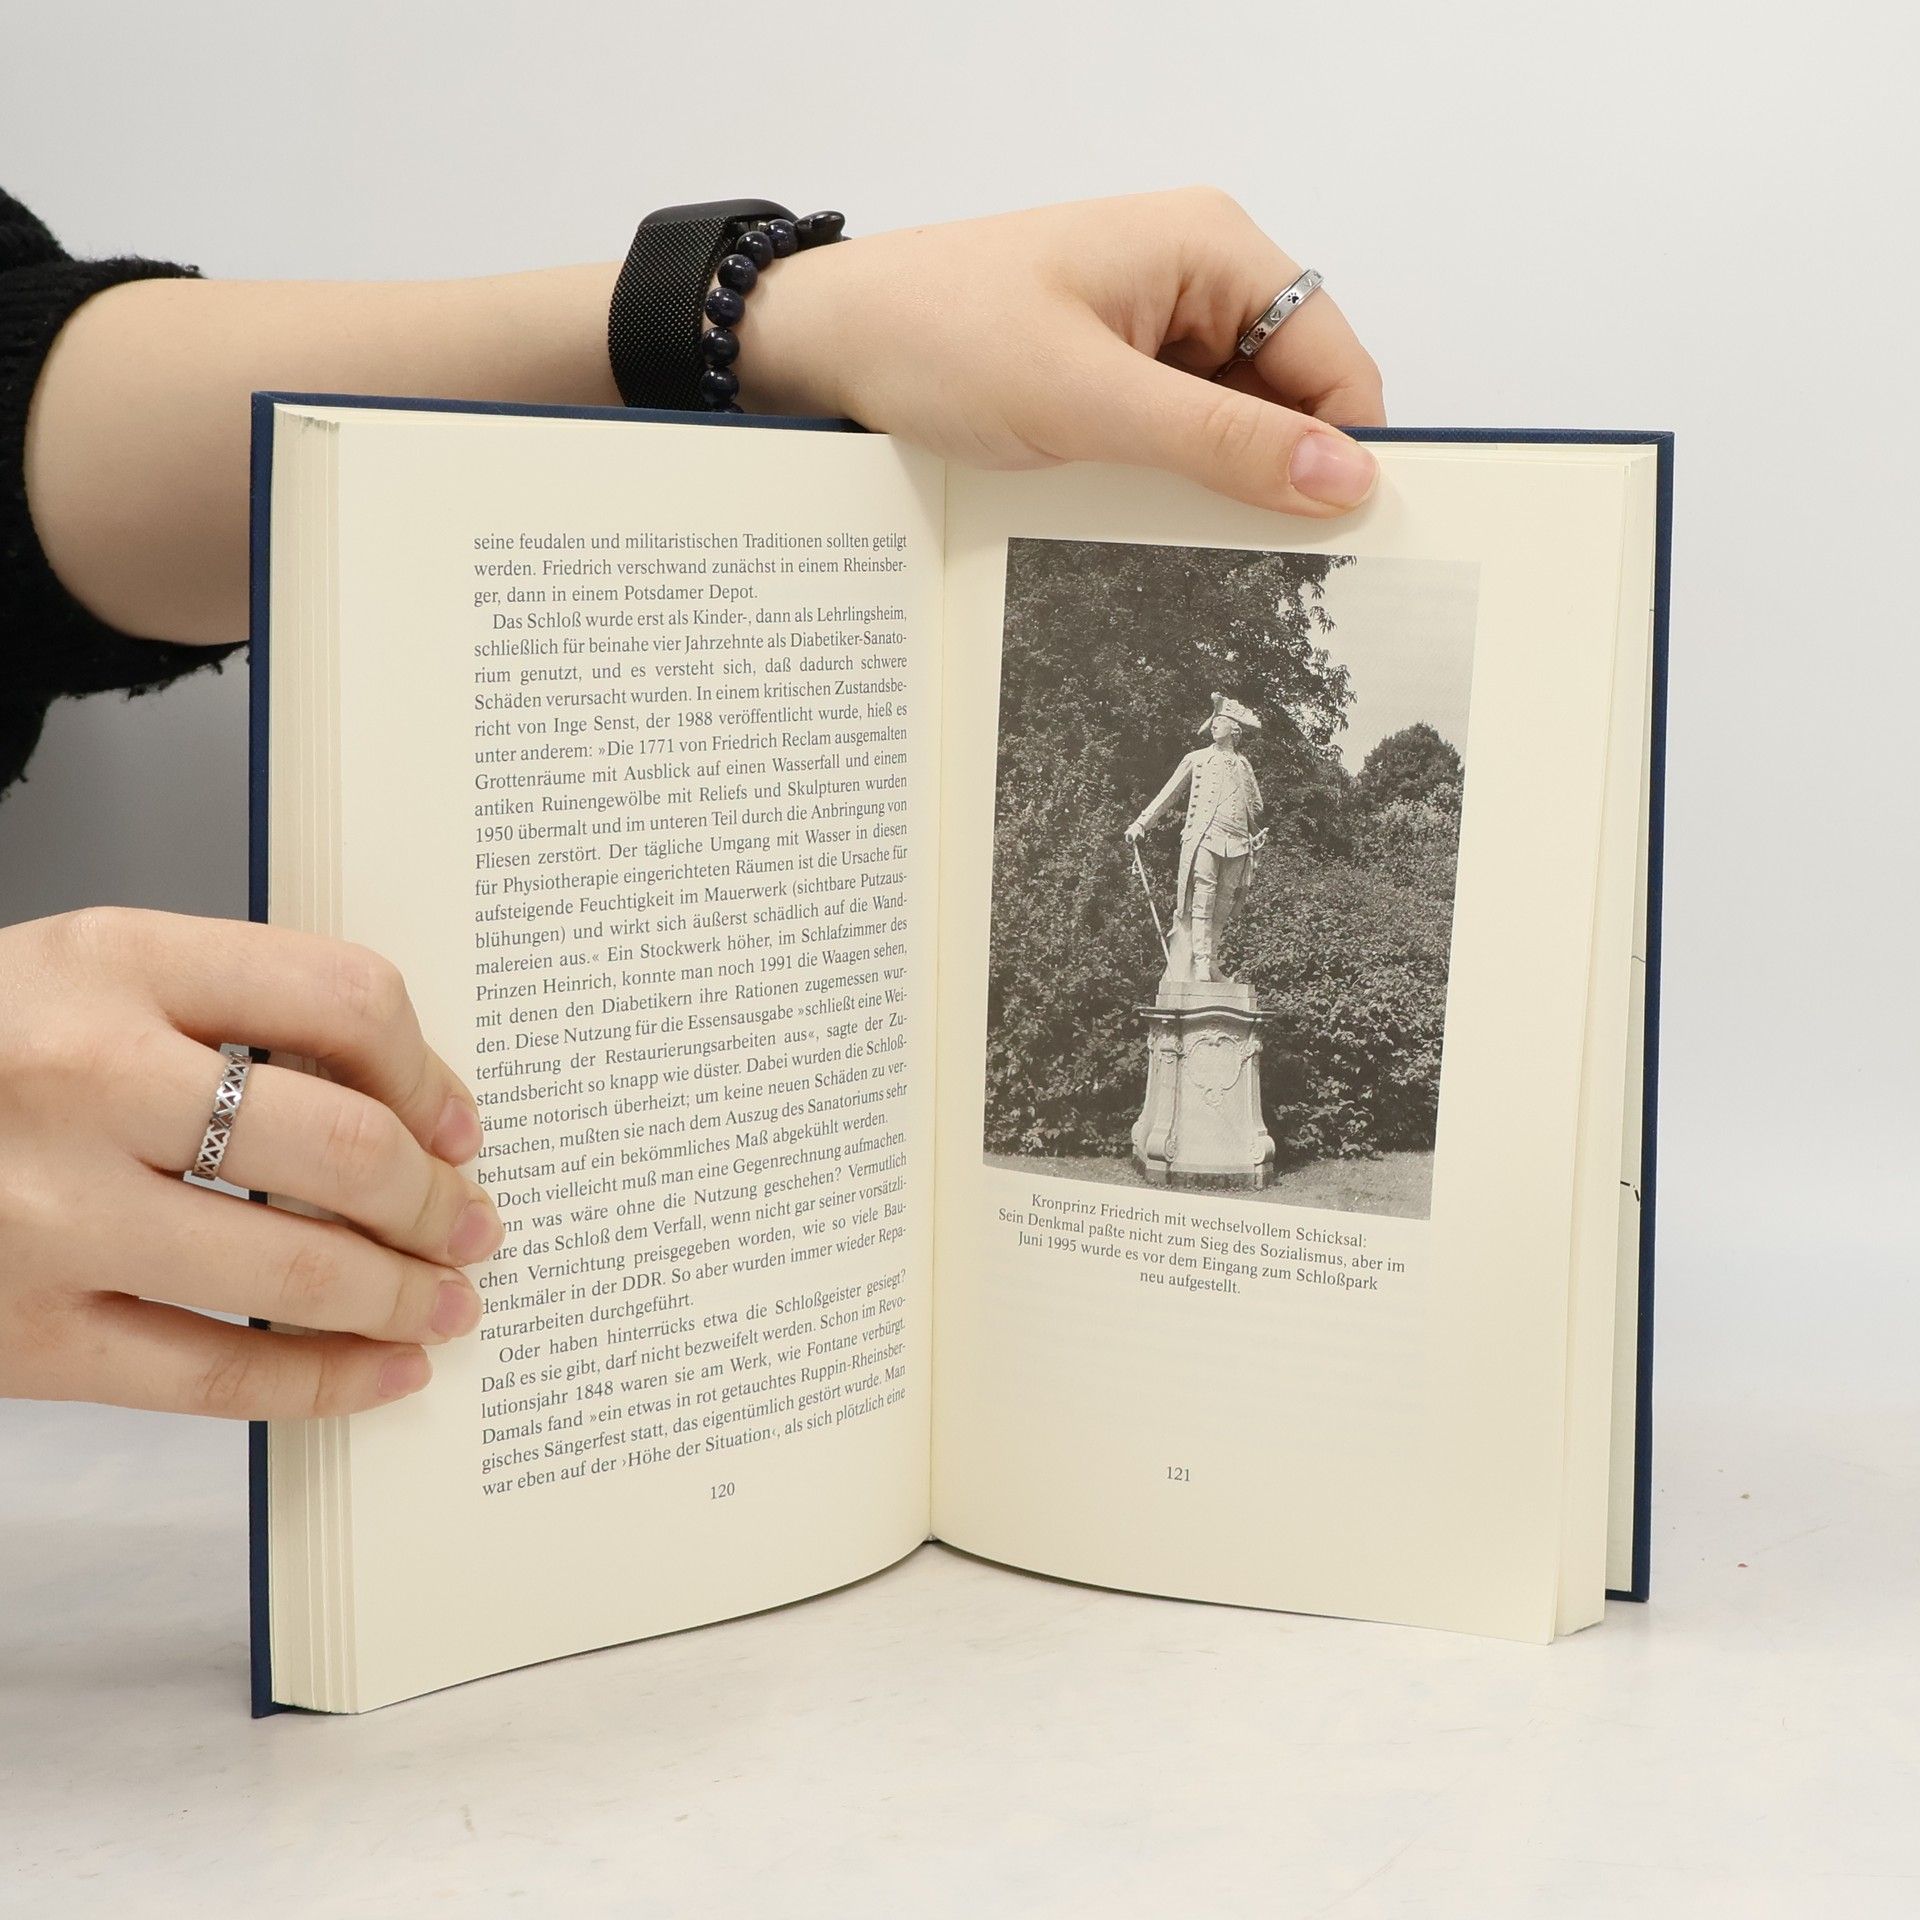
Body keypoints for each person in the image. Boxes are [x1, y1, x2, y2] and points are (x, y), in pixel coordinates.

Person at [0, 185, 1384, 1421]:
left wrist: (778, 315)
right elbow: (1166, 801)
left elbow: (22, 414)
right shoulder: (1202, 760)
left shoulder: (1238, 769)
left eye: (1226, 725)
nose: (1220, 729)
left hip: (1222, 856)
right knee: (1195, 932)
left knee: (1212, 939)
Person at [1127, 695, 1268, 986]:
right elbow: (1169, 793)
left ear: (1234, 730)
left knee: (1223, 905)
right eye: (1214, 721)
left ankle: (1212, 961)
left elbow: (1256, 806)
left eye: (1220, 722)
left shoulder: (1244, 765)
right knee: (1203, 899)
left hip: (1237, 841)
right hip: (1205, 836)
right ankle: (1201, 962)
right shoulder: (1197, 758)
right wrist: (1142, 822)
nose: (1214, 726)